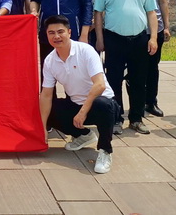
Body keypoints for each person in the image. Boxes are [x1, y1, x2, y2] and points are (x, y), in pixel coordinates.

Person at [40, 15, 118, 174]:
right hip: (76, 105)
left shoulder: (85, 51)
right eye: (51, 33)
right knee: (44, 106)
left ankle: (105, 151)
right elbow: (46, 95)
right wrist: (42, 128)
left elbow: (100, 85)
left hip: (102, 105)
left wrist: (82, 112)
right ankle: (84, 136)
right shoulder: (49, 61)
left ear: (69, 32)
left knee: (102, 104)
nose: (56, 36)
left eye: (60, 32)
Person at [94, 0, 158, 135]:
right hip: (114, 39)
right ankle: (116, 118)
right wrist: (100, 39)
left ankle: (136, 119)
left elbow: (151, 13)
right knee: (114, 80)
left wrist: (153, 37)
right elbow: (98, 14)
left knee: (138, 80)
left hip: (139, 39)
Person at [131, 0, 171, 117]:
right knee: (134, 69)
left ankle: (151, 102)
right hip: (134, 30)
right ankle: (136, 104)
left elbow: (163, 1)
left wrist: (167, 27)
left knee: (152, 68)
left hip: (155, 29)